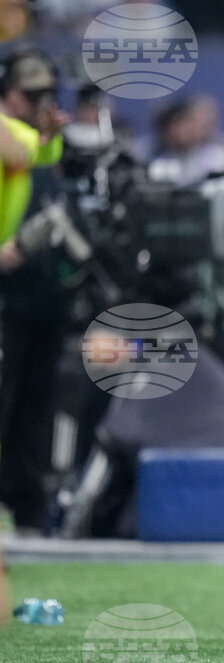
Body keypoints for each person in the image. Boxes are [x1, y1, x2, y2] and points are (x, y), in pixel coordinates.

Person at [0, 48, 68, 536]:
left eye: (47, 93)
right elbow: (21, 153)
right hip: (6, 289)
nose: (41, 102)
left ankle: (28, 510)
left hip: (38, 294)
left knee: (34, 406)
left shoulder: (41, 142)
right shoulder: (15, 136)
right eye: (31, 94)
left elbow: (40, 154)